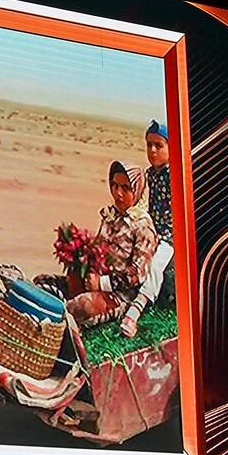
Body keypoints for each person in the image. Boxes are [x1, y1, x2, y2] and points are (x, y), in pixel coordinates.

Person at [66, 161, 158, 330]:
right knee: (49, 283)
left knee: (82, 306)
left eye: (125, 188)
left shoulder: (143, 226)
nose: (118, 193)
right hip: (95, 280)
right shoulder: (111, 215)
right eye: (115, 186)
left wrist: (102, 283)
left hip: (119, 296)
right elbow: (99, 248)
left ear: (137, 190)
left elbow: (137, 275)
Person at [121, 120, 174, 337]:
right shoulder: (150, 174)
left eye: (158, 145)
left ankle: (134, 312)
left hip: (171, 236)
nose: (152, 150)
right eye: (149, 145)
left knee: (155, 265)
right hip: (152, 229)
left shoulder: (176, 175)